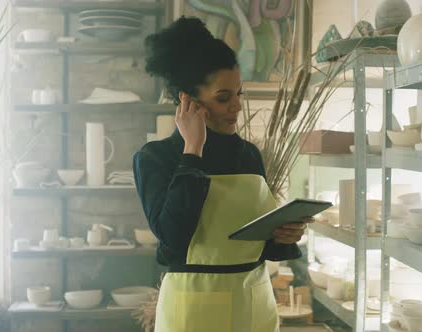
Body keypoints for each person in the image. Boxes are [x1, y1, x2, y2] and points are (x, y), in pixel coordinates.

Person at [132, 17, 312, 332]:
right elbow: (173, 236)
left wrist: (285, 236)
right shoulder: (155, 158)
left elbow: (261, 244)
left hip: (252, 305)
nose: (237, 106)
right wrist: (193, 149)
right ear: (187, 100)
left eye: (239, 94)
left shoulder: (248, 155)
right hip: (192, 311)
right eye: (223, 97)